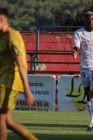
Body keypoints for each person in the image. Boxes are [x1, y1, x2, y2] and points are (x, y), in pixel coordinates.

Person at [0, 7, 38, 140]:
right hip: (4, 82)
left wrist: (27, 89)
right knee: (7, 122)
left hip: (9, 83)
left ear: (1, 20)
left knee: (1, 121)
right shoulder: (3, 37)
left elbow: (21, 65)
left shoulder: (12, 36)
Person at [73, 11, 93, 130]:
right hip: (85, 67)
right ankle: (92, 120)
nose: (90, 21)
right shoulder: (79, 33)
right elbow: (77, 47)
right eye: (88, 19)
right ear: (85, 20)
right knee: (88, 95)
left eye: (92, 19)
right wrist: (75, 52)